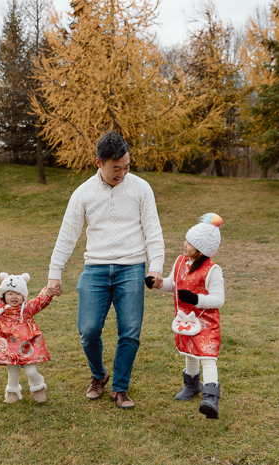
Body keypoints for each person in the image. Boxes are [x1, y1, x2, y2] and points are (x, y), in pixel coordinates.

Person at [47, 131, 165, 409]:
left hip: (132, 269)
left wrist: (156, 267)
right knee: (88, 330)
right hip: (95, 269)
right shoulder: (83, 193)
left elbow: (153, 231)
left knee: (130, 331)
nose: (122, 173)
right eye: (116, 168)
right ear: (99, 163)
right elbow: (67, 235)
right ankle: (99, 375)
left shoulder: (141, 188)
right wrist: (55, 272)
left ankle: (120, 387)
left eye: (126, 166)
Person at [147, 213, 225, 419]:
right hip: (185, 319)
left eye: (189, 243)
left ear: (201, 249)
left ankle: (210, 397)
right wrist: (157, 283)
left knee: (207, 357)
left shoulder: (212, 271)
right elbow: (173, 285)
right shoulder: (181, 261)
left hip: (206, 323)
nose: (184, 244)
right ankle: (191, 386)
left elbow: (218, 299)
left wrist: (196, 299)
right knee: (189, 352)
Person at [0, 272, 57, 404]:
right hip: (9, 346)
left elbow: (40, 301)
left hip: (28, 345)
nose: (14, 297)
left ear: (23, 295)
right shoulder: (0, 308)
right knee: (12, 370)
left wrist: (49, 292)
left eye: (18, 294)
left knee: (31, 370)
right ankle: (13, 392)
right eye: (10, 294)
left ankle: (38, 385)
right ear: (4, 295)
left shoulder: (27, 308)